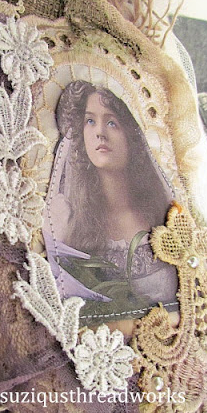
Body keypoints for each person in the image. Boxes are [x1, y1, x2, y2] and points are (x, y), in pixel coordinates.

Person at [42, 80, 179, 325]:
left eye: (112, 122)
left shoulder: (163, 211)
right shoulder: (66, 217)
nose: (99, 133)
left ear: (131, 136)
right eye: (90, 121)